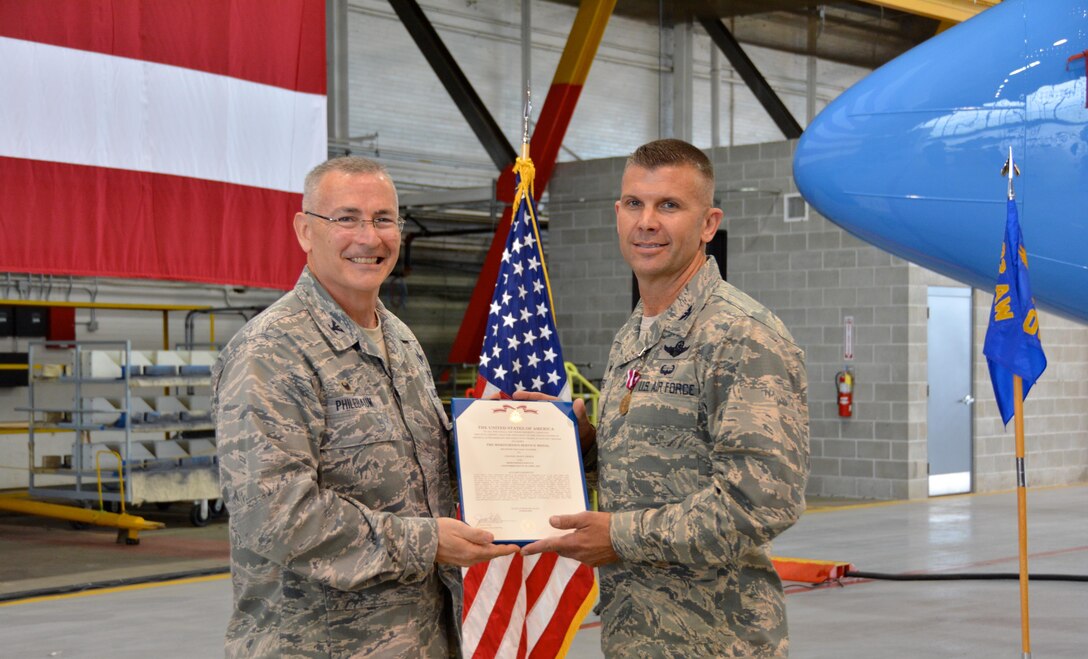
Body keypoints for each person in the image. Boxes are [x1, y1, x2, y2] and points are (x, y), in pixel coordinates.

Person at [214, 156, 517, 658]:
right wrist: (426, 543)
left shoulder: (398, 338)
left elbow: (428, 467)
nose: (369, 237)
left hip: (421, 640)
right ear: (305, 231)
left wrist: (521, 430)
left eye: (383, 219)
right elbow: (276, 517)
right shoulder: (270, 352)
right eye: (347, 218)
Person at [521, 139, 810, 656]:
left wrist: (620, 537)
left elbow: (761, 504)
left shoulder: (739, 335)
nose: (647, 221)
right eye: (635, 203)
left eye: (669, 205)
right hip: (636, 633)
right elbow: (651, 464)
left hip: (717, 640)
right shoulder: (634, 334)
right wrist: (578, 445)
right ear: (617, 213)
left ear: (708, 224)